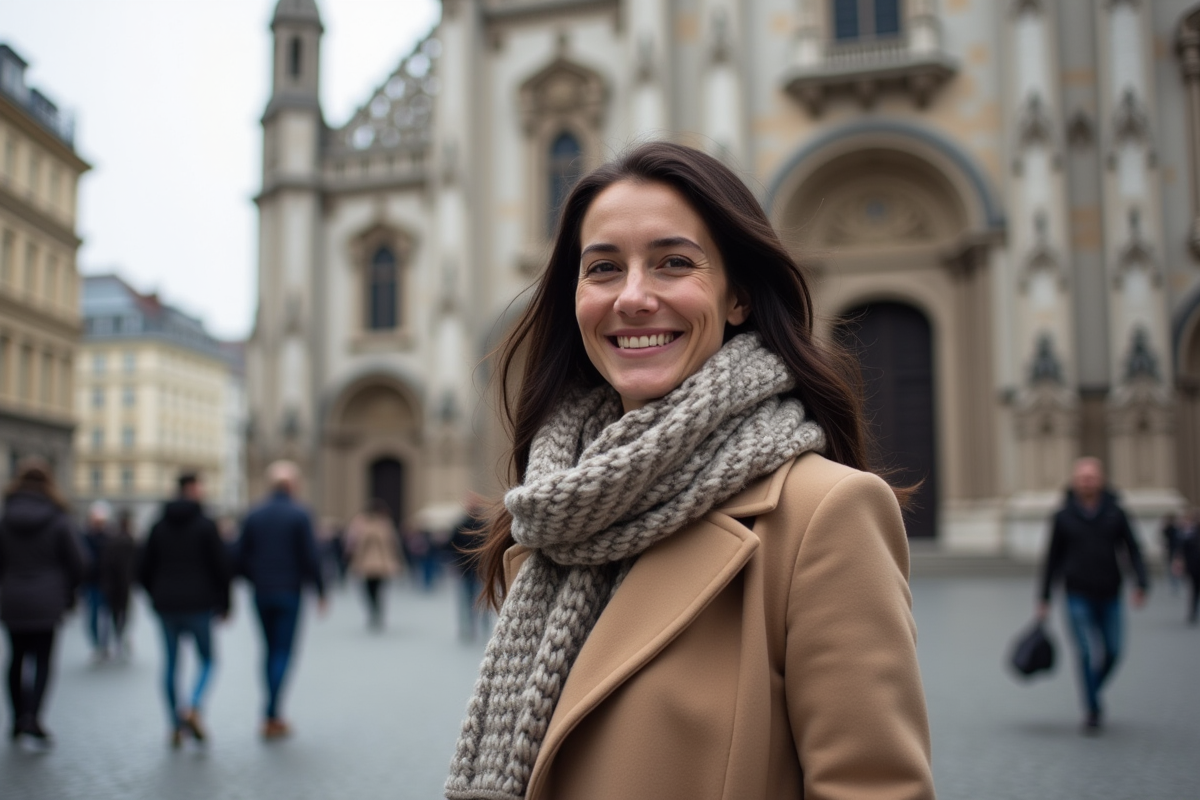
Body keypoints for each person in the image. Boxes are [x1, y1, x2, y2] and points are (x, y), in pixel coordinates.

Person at [445, 142, 934, 800]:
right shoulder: (551, 514)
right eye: (604, 269)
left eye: (674, 263)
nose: (634, 297)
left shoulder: (827, 514)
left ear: (737, 297)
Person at [1037, 456, 1148, 733]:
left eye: (1092, 477)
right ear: (1075, 481)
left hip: (1111, 592)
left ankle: (1092, 690)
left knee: (1113, 650)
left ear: (1101, 480)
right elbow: (1052, 558)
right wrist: (1044, 598)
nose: (1087, 481)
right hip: (1077, 593)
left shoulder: (1116, 512)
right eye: (1083, 477)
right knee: (1086, 651)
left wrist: (1141, 583)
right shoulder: (1063, 516)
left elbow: (1132, 548)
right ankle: (1092, 708)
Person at [138, 473, 231, 747]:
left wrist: (155, 595)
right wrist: (225, 603)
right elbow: (221, 567)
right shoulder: (206, 525)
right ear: (193, 489)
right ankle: (193, 704)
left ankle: (174, 724)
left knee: (170, 664)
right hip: (199, 604)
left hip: (166, 604)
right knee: (208, 659)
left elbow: (143, 567)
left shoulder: (158, 525)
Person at [237, 460, 326, 740]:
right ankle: (272, 713)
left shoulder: (254, 514)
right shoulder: (300, 514)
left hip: (261, 592)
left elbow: (239, 555)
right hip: (289, 591)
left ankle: (271, 712)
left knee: (268, 650)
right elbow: (311, 557)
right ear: (292, 485)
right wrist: (321, 591)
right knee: (282, 652)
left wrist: (255, 577)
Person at [0, 458, 84, 749]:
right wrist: (68, 592)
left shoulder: (6, 516)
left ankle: (16, 718)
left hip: (11, 598)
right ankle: (33, 717)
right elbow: (78, 562)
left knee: (15, 659)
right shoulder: (57, 517)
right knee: (43, 662)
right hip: (47, 600)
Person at [345, 500, 401, 630]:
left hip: (369, 563)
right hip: (379, 563)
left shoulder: (361, 524)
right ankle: (376, 611)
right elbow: (393, 544)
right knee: (376, 590)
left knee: (370, 590)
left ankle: (374, 612)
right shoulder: (384, 524)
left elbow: (351, 543)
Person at [448, 495, 487, 642]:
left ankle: (473, 627)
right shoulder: (482, 524)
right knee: (477, 598)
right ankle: (475, 627)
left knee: (471, 599)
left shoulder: (463, 524)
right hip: (473, 568)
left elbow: (451, 546)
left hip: (472, 568)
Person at [100, 508, 137, 659]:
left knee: (113, 613)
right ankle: (120, 638)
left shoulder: (112, 540)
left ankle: (114, 639)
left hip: (113, 584)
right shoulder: (128, 540)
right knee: (124, 613)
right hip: (123, 584)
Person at [80, 500, 112, 660]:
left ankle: (104, 645)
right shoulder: (85, 536)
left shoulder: (109, 537)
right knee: (93, 616)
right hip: (91, 583)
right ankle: (97, 644)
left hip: (104, 583)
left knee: (105, 616)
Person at [1173, 510, 1200, 624]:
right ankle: (1192, 613)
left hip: (1193, 566)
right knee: (1194, 591)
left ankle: (1192, 613)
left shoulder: (1190, 533)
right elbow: (1183, 549)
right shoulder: (1190, 532)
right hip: (1194, 567)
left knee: (1194, 591)